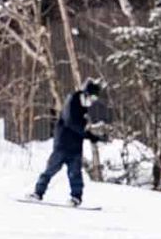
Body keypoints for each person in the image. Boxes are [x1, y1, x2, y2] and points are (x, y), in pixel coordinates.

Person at [31, 77, 105, 206]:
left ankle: (76, 198)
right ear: (86, 94)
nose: (92, 102)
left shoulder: (84, 107)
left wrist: (90, 135)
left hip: (75, 147)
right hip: (63, 145)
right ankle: (38, 192)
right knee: (50, 169)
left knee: (75, 174)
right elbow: (71, 122)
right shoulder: (72, 100)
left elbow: (81, 127)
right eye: (92, 98)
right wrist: (88, 134)